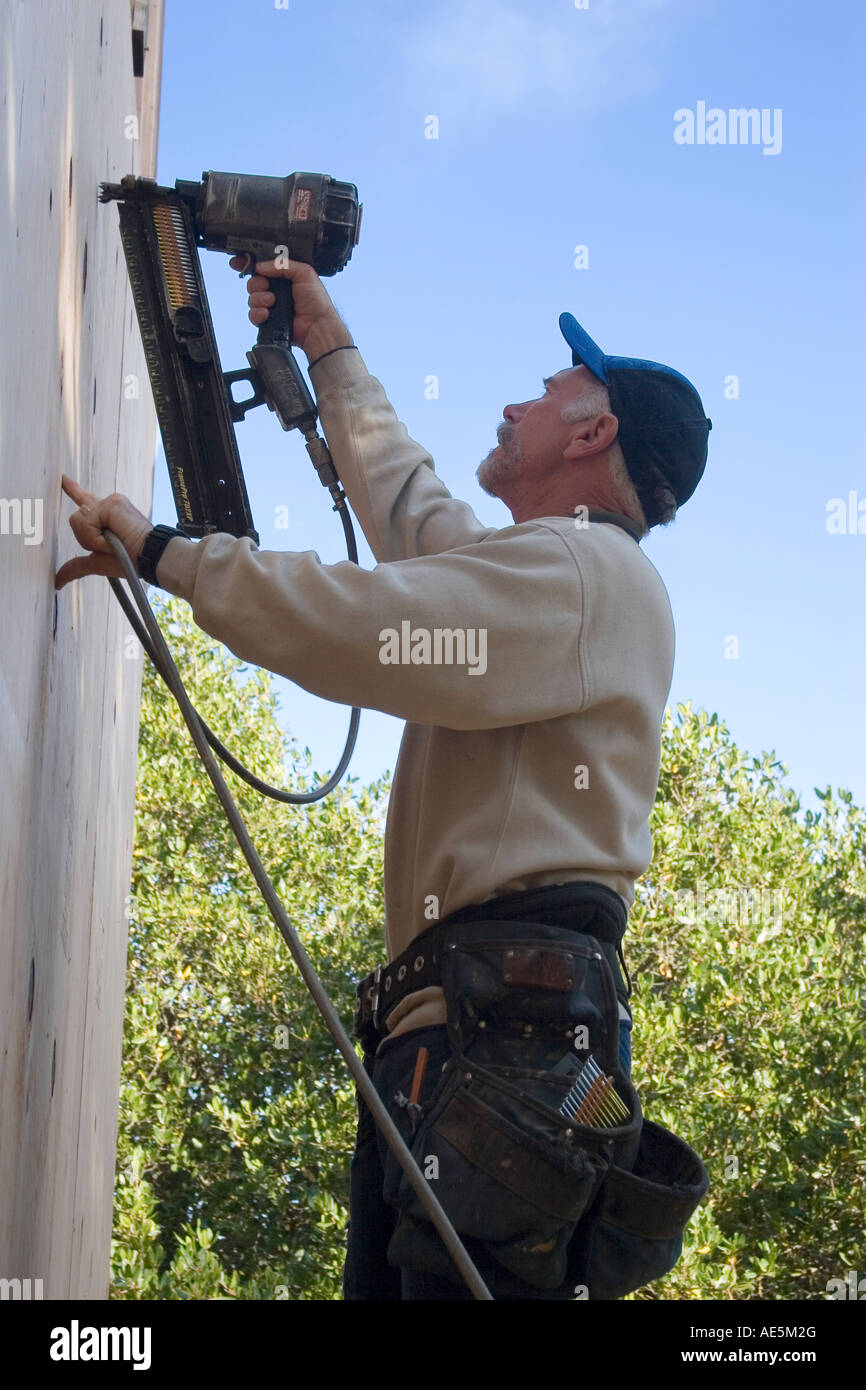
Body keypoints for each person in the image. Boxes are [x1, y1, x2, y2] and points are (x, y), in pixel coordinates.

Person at [56, 258, 712, 1301]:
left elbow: (378, 623)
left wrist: (169, 554)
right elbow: (414, 513)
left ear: (593, 434)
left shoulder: (591, 574)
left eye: (547, 388)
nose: (511, 402)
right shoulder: (554, 571)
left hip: (502, 1058)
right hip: (488, 1053)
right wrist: (329, 345)